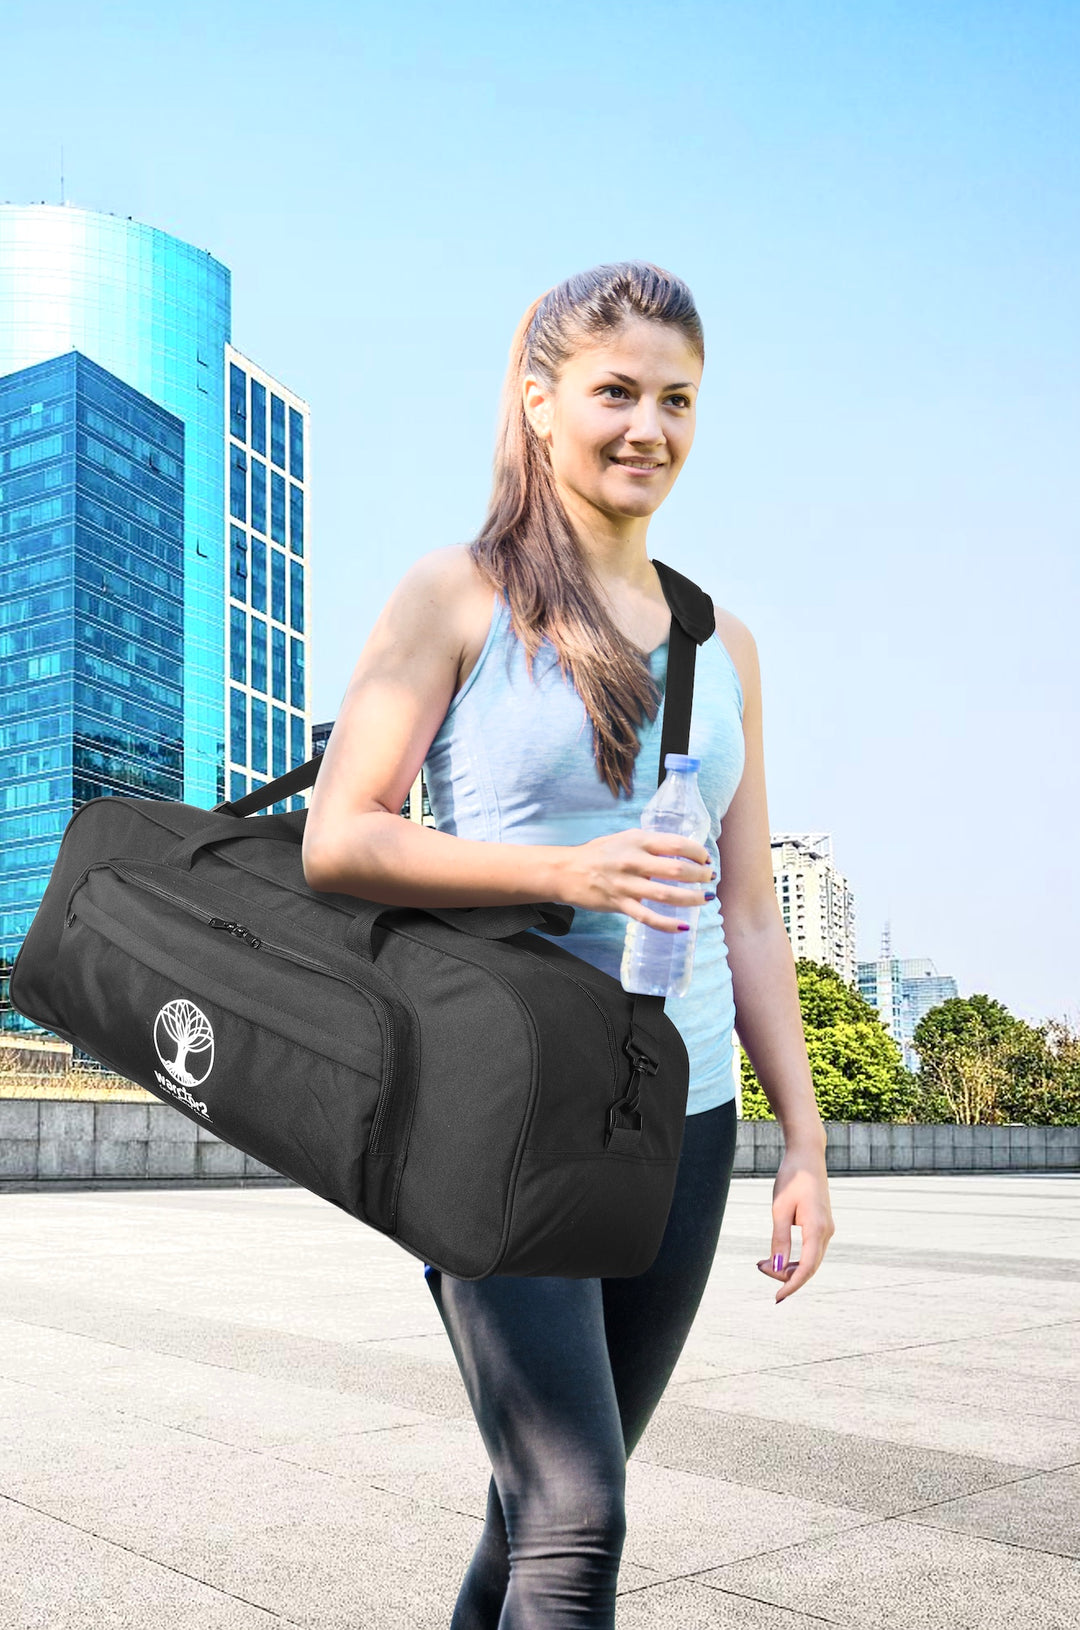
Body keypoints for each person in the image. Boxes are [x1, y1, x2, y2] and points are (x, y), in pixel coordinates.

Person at [302, 261, 835, 1628]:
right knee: (577, 1514)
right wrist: (563, 868)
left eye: (678, 399)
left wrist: (805, 1140)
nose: (647, 426)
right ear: (541, 404)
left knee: (536, 1508)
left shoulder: (725, 645)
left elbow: (751, 910)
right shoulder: (457, 596)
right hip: (503, 1106)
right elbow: (341, 836)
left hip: (687, 1119)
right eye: (615, 392)